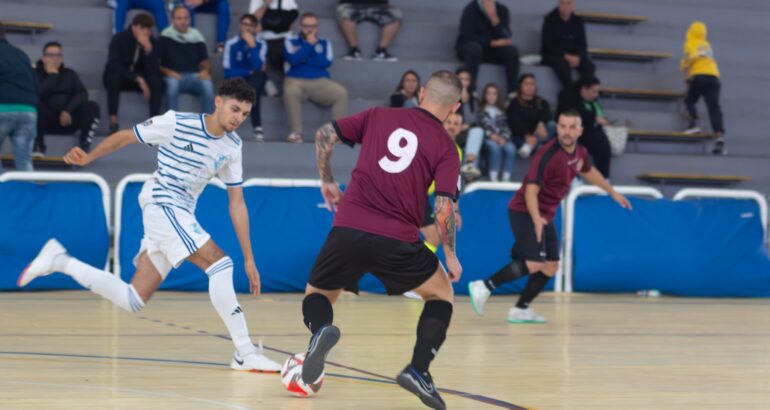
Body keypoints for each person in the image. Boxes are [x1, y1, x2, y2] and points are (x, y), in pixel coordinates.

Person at [18, 78, 282, 373]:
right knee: (220, 265)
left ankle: (60, 260)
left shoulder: (233, 146)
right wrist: (89, 156)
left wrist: (250, 257)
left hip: (182, 212)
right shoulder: (177, 123)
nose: (238, 118)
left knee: (134, 298)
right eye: (235, 109)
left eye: (245, 114)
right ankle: (244, 352)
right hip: (162, 203)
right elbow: (126, 137)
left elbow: (237, 203)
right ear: (218, 101)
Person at [298, 70, 462, 409]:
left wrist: (327, 180)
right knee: (441, 293)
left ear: (421, 95)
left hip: (348, 228)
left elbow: (325, 133)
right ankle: (418, 370)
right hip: (396, 238)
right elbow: (444, 206)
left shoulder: (379, 115)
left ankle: (319, 332)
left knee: (318, 294)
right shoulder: (446, 147)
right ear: (455, 105)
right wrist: (450, 253)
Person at [467, 110, 632, 323]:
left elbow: (589, 171)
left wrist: (613, 193)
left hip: (545, 215)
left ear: (580, 131)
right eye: (562, 126)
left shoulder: (579, 153)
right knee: (535, 262)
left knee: (551, 265)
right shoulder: (548, 154)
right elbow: (530, 191)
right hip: (524, 210)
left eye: (572, 127)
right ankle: (483, 287)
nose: (566, 131)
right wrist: (536, 219)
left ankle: (521, 309)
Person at [282, 12, 348, 143]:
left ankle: (336, 134)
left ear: (317, 27)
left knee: (341, 93)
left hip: (319, 81)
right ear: (300, 26)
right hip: (296, 80)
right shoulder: (290, 41)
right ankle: (296, 132)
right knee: (289, 90)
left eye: (313, 26)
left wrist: (303, 56)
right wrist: (308, 45)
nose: (309, 29)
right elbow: (293, 60)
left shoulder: (325, 42)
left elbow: (326, 62)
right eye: (306, 25)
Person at [34, 42, 101, 155]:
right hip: (45, 121)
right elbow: (37, 93)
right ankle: (38, 146)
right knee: (34, 104)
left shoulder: (69, 74)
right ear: (43, 58)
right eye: (51, 55)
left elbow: (82, 94)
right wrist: (52, 76)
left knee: (92, 106)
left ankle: (84, 146)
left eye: (58, 55)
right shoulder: (35, 74)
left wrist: (68, 111)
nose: (55, 59)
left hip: (68, 120)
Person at [103, 13, 163, 133]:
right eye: (146, 30)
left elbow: (154, 70)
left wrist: (148, 50)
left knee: (156, 81)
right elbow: (113, 64)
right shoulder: (119, 38)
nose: (148, 33)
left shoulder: (152, 42)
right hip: (122, 77)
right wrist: (136, 78)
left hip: (141, 79)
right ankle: (113, 120)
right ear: (136, 27)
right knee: (114, 76)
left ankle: (154, 123)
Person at [456, 0, 519, 95]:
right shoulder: (471, 9)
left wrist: (494, 19)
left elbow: (506, 38)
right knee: (474, 48)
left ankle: (512, 94)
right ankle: (471, 90)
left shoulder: (502, 10)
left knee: (512, 51)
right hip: (470, 49)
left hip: (490, 51)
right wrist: (491, 43)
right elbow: (467, 36)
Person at [159, 6, 215, 114]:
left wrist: (205, 71)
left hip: (194, 76)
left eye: (186, 18)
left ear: (190, 19)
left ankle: (207, 124)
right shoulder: (165, 36)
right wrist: (168, 72)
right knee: (172, 85)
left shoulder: (197, 36)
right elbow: (156, 63)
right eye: (179, 19)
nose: (183, 21)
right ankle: (171, 124)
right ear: (172, 20)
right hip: (173, 76)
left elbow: (205, 61)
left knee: (207, 84)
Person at [680, 21, 725, 155]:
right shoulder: (707, 45)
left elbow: (691, 58)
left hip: (699, 76)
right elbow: (707, 60)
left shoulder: (689, 44)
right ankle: (719, 135)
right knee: (714, 107)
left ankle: (693, 124)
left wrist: (684, 66)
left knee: (689, 100)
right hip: (714, 77)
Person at [223, 14, 267, 141]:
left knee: (257, 81)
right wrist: (248, 71)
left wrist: (252, 46)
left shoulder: (261, 44)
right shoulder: (231, 43)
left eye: (249, 25)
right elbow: (227, 70)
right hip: (238, 78)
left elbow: (258, 67)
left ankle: (255, 126)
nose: (246, 28)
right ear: (239, 26)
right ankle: (257, 126)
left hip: (254, 79)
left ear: (255, 28)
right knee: (250, 89)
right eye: (243, 24)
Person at [0, 22, 38, 172]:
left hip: (3, 107)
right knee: (24, 161)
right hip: (28, 110)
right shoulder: (21, 54)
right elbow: (36, 84)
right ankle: (28, 194)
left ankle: (2, 192)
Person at [557, 76, 612, 178]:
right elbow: (573, 116)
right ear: (584, 89)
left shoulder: (592, 102)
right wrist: (594, 118)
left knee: (602, 141)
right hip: (569, 130)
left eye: (597, 92)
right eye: (594, 91)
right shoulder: (568, 97)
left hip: (587, 131)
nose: (596, 95)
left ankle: (604, 178)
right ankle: (573, 179)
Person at [465, 83, 515, 182]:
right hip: (487, 138)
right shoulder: (481, 110)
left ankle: (506, 178)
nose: (491, 96)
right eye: (489, 93)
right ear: (485, 95)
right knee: (494, 147)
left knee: (511, 148)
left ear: (498, 96)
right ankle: (493, 177)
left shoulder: (501, 111)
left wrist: (504, 138)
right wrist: (491, 135)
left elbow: (506, 127)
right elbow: (481, 126)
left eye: (494, 94)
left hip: (501, 138)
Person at [540, 0, 595, 88]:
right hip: (554, 55)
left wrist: (578, 57)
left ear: (573, 6)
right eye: (563, 3)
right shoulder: (550, 19)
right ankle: (570, 94)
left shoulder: (578, 21)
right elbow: (547, 45)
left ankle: (586, 94)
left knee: (589, 67)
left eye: (569, 3)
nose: (565, 7)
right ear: (558, 4)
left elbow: (583, 45)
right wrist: (566, 56)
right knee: (563, 67)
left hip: (574, 55)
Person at [337, 0, 402, 61]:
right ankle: (354, 51)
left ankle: (381, 52)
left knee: (395, 15)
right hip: (351, 3)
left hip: (379, 5)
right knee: (345, 15)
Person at [507, 73, 553, 159]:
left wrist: (541, 124)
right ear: (520, 86)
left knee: (552, 125)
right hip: (521, 136)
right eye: (526, 84)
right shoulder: (514, 103)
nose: (530, 86)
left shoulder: (541, 102)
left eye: (532, 84)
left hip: (538, 134)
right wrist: (526, 136)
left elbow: (547, 115)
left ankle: (532, 147)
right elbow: (514, 122)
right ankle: (537, 147)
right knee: (519, 140)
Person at [250, 0, 299, 74]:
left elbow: (291, 20)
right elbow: (252, 21)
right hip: (262, 40)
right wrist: (265, 4)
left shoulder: (288, 1)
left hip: (283, 39)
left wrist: (265, 25)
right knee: (260, 70)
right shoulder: (256, 1)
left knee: (284, 72)